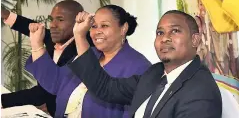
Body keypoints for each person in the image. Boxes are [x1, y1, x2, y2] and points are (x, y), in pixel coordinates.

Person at [60, 10, 222, 118]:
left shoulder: (200, 91)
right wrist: (80, 37)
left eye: (175, 31)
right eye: (160, 32)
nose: (165, 38)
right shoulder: (155, 73)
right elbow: (106, 88)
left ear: (195, 40)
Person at [26, 5, 151, 118]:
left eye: (105, 26)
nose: (97, 32)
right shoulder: (89, 54)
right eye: (93, 26)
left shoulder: (139, 66)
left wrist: (79, 36)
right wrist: (36, 44)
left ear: (123, 28)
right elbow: (55, 82)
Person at [1, 0, 91, 116]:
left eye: (60, 19)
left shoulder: (85, 47)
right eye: (51, 19)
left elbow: (48, 89)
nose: (53, 24)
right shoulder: (54, 37)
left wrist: (3, 100)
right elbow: (28, 26)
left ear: (78, 22)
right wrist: (7, 15)